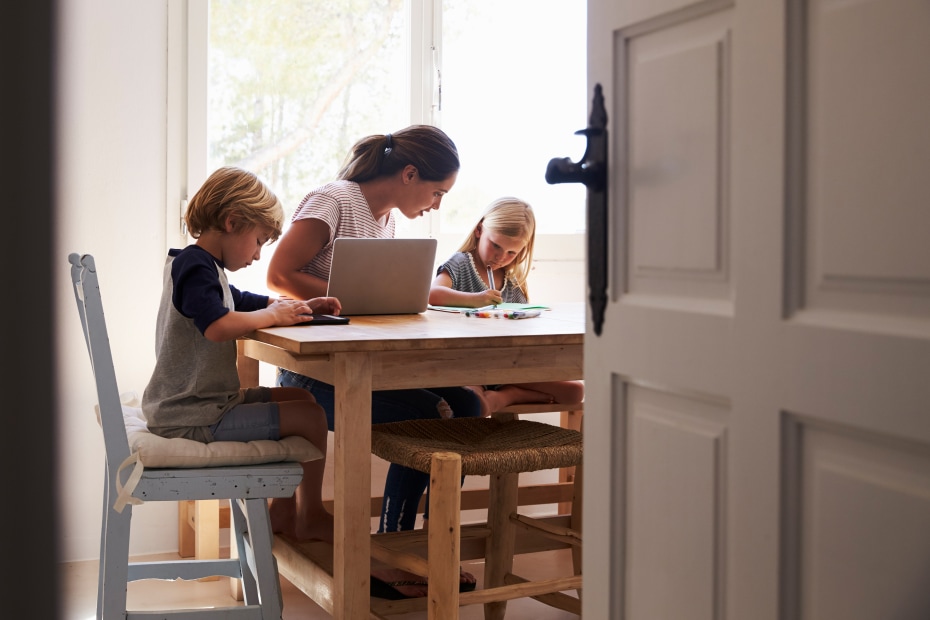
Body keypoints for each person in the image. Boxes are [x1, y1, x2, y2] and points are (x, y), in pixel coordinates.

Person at [266, 125, 481, 598]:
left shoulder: (385, 222)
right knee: (432, 416)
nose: (437, 204)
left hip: (360, 367)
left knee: (467, 406)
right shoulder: (335, 201)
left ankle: (424, 542)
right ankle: (390, 557)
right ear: (409, 174)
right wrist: (347, 301)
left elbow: (375, 297)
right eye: (437, 191)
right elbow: (279, 273)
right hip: (313, 374)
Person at [141, 166, 340, 543]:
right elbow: (217, 325)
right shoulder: (195, 265)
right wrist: (271, 315)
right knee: (312, 417)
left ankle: (282, 511)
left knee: (303, 397)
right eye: (259, 240)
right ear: (232, 222)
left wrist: (290, 305)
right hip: (193, 415)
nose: (258, 255)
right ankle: (309, 514)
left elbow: (234, 300)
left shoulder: (197, 265)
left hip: (200, 404)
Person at [429, 197, 585, 413]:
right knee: (472, 401)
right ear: (479, 230)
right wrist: (477, 300)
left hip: (508, 365)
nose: (501, 257)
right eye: (496, 246)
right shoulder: (462, 263)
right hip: (468, 365)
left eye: (512, 252)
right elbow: (432, 294)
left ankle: (509, 395)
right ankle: (506, 395)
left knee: (574, 392)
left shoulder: (512, 280)